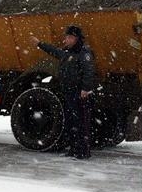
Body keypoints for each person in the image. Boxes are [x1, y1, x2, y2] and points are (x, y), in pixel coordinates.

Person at [30, 25, 95, 159]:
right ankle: (73, 148)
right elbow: (54, 51)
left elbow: (89, 71)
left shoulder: (83, 52)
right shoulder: (68, 52)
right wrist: (39, 44)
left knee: (81, 122)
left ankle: (83, 151)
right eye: (66, 37)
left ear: (77, 39)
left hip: (79, 93)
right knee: (71, 121)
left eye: (70, 37)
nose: (67, 40)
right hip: (68, 91)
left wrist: (85, 88)